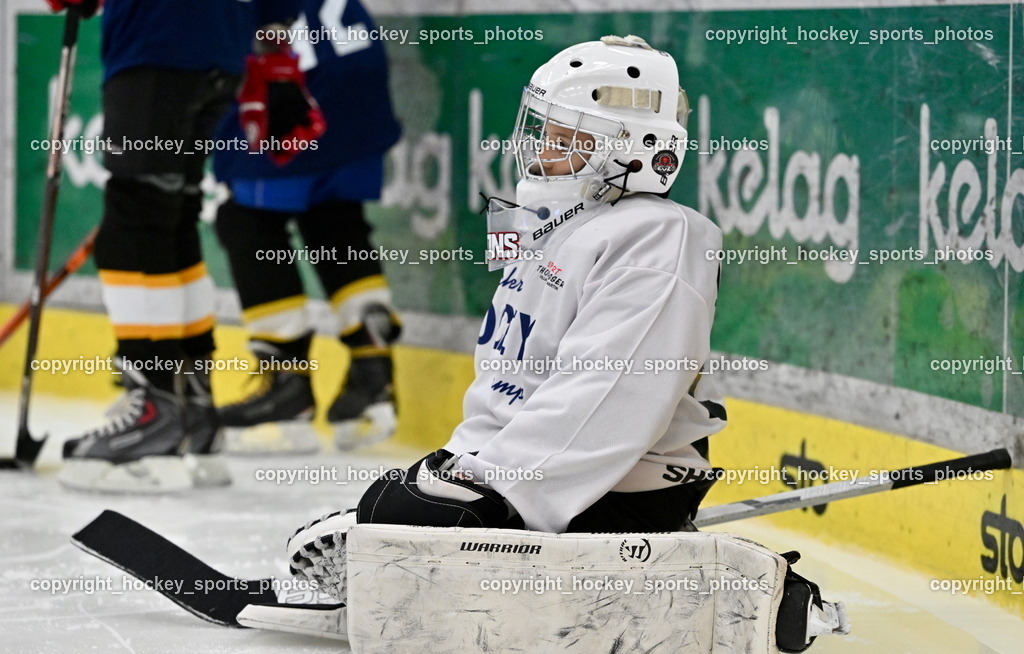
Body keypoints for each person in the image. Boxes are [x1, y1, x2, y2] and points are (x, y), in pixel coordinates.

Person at [288, 34, 728, 586]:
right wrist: (458, 465)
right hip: (519, 471)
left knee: (399, 513)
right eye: (544, 128)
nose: (542, 149)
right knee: (392, 503)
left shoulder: (657, 237)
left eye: (570, 137)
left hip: (610, 492)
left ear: (634, 150)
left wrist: (499, 495)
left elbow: (609, 396)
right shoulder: (547, 217)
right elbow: (509, 378)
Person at [51, 0, 302, 491]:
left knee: (136, 220)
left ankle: (154, 408)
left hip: (157, 36)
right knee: (173, 218)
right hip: (221, 45)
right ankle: (192, 411)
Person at [211, 0, 402, 453]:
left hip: (293, 72)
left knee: (249, 220)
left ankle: (285, 384)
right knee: (334, 218)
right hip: (359, 69)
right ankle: (371, 373)